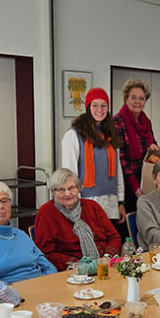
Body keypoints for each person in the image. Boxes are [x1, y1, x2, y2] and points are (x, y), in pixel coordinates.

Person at [61, 87, 126, 226]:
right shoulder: (74, 135)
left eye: (104, 105)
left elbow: (118, 171)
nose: (100, 110)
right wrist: (76, 205)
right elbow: (69, 175)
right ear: (88, 107)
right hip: (86, 204)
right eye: (95, 105)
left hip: (111, 203)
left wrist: (120, 202)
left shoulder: (111, 134)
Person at [34, 168, 121, 270]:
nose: (67, 194)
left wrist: (107, 257)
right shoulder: (46, 213)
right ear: (53, 192)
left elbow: (114, 237)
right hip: (71, 270)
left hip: (104, 265)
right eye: (61, 190)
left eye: (71, 188)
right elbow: (45, 253)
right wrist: (79, 265)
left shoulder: (92, 206)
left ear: (79, 188)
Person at [113, 79, 159, 214]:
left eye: (141, 98)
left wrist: (155, 148)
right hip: (126, 186)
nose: (137, 102)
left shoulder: (146, 122)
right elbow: (120, 159)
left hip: (145, 181)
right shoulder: (116, 122)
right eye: (133, 97)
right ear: (126, 99)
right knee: (129, 222)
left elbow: (153, 144)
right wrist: (135, 186)